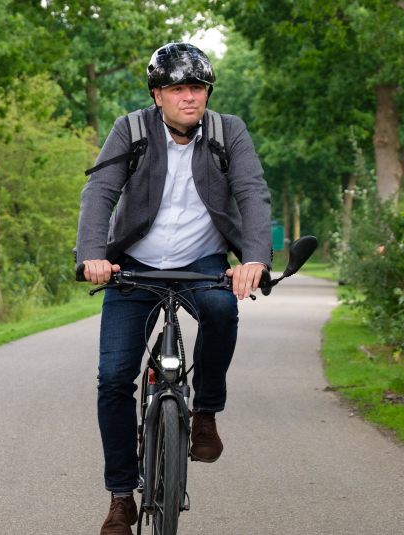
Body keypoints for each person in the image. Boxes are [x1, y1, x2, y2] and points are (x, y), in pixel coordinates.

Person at [74, 42, 272, 535]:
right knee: (114, 378)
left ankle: (204, 411)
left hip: (202, 261)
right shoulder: (132, 129)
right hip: (135, 263)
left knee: (223, 311)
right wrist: (92, 258)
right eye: (178, 88)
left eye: (198, 87)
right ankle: (122, 496)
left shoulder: (229, 132)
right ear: (157, 94)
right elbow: (100, 191)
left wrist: (254, 260)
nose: (190, 97)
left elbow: (252, 192)